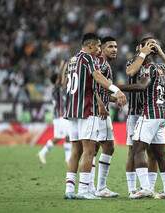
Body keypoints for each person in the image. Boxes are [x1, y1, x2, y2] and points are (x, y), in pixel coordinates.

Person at [64, 33, 126, 200]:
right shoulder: (88, 58)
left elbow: (65, 83)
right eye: (98, 46)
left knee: (75, 150)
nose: (99, 50)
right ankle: (85, 190)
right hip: (86, 109)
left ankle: (69, 189)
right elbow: (98, 78)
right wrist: (117, 90)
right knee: (89, 150)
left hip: (72, 109)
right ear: (90, 46)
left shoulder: (72, 60)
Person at [129, 37, 165, 199]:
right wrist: (146, 53)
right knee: (160, 154)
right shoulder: (156, 67)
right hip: (162, 114)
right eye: (150, 44)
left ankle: (145, 188)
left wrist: (115, 88)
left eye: (155, 44)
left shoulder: (149, 68)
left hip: (149, 113)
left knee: (137, 149)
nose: (153, 46)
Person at [117, 43, 159, 197]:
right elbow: (130, 71)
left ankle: (150, 188)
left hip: (151, 114)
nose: (150, 48)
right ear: (139, 47)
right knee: (133, 151)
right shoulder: (132, 62)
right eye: (147, 45)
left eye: (152, 45)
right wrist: (142, 55)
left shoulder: (155, 67)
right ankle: (132, 188)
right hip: (135, 114)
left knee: (153, 152)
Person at [87, 36, 120, 197]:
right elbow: (94, 87)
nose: (114, 49)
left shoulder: (103, 63)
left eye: (115, 47)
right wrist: (100, 104)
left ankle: (92, 187)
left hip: (97, 109)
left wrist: (115, 98)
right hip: (98, 111)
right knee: (108, 146)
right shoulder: (100, 63)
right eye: (110, 47)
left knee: (95, 148)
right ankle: (100, 187)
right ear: (103, 48)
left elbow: (102, 90)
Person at [38, 61, 72, 164]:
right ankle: (43, 152)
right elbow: (60, 79)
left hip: (61, 116)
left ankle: (67, 158)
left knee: (67, 136)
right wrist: (64, 66)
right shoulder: (56, 88)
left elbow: (61, 79)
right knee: (60, 137)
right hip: (60, 116)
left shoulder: (58, 89)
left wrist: (64, 66)